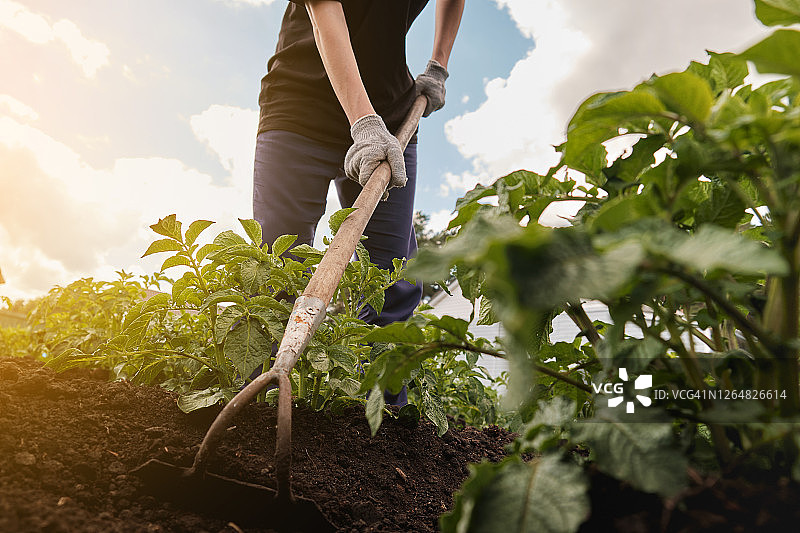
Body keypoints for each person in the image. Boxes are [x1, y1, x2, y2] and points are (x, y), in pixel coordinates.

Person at [252, 0, 464, 404]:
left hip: (392, 112)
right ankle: (255, 413)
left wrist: (438, 64)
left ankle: (376, 422)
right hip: (300, 109)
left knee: (393, 278)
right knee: (276, 268)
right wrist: (363, 124)